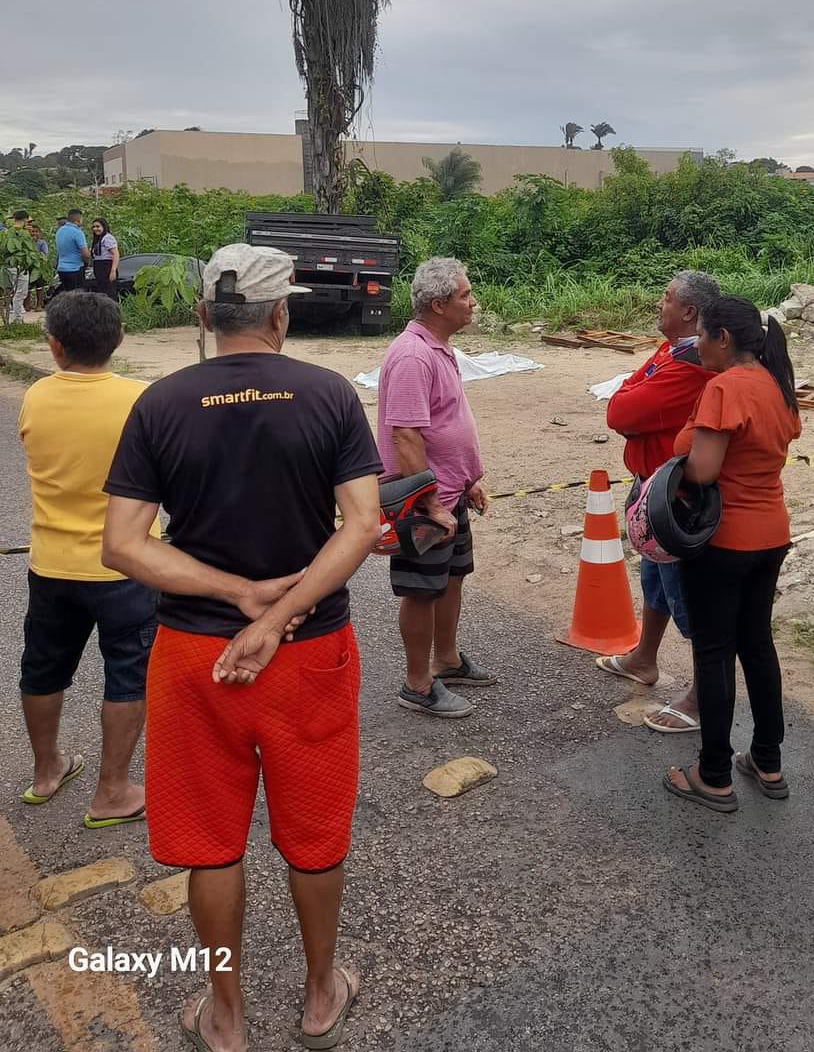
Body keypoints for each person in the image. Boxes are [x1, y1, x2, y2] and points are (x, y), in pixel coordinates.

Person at [101, 244, 383, 1051]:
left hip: (197, 658)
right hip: (310, 654)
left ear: (202, 317)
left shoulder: (160, 403)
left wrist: (236, 600)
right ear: (281, 315)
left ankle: (226, 1015)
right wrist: (279, 613)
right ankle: (321, 996)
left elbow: (123, 544)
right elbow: (360, 524)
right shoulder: (328, 395)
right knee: (314, 836)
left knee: (211, 844)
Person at [18, 292, 156, 827]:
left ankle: (46, 771)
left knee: (43, 667)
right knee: (127, 675)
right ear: (120, 338)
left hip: (51, 564)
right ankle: (112, 791)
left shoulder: (34, 398)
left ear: (53, 346)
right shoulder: (142, 400)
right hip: (126, 565)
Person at [662, 297, 802, 812]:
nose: (695, 344)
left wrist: (682, 447)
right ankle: (767, 759)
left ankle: (713, 774)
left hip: (722, 540)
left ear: (723, 338)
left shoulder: (724, 388)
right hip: (771, 535)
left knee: (715, 652)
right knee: (757, 645)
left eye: (700, 334)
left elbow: (702, 471)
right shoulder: (776, 384)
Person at [597, 271, 717, 732]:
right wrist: (632, 398)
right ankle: (644, 658)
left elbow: (620, 410)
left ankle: (704, 695)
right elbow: (626, 394)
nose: (658, 304)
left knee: (684, 591)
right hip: (651, 485)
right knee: (654, 577)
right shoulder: (673, 350)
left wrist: (632, 402)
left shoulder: (691, 364)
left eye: (666, 298)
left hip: (676, 497)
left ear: (689, 312)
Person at [377, 257, 493, 719]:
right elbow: (406, 434)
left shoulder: (437, 347)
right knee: (422, 590)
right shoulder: (412, 355)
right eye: (465, 295)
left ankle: (446, 659)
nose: (473, 302)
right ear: (440, 304)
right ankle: (417, 683)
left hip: (449, 494)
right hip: (424, 502)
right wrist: (426, 501)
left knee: (452, 576)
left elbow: (444, 423)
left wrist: (467, 482)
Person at [4, 208, 31, 323]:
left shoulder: (6, 232)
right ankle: (18, 319)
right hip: (18, 265)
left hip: (9, 265)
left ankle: (15, 317)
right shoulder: (22, 233)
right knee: (21, 292)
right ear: (24, 219)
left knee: (12, 292)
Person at [55, 209, 91, 293]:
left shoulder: (59, 231)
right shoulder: (77, 232)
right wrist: (88, 259)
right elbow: (86, 254)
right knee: (78, 297)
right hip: (75, 269)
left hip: (61, 269)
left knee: (67, 296)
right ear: (78, 220)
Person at [90, 217, 120, 299]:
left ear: (104, 227)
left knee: (109, 293)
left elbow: (116, 254)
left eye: (98, 226)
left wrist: (113, 270)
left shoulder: (108, 238)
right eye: (94, 227)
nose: (96, 229)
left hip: (106, 267)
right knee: (102, 293)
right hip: (99, 267)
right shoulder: (98, 240)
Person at [28, 222, 49, 309]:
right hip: (29, 267)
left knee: (39, 287)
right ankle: (27, 305)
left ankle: (39, 305)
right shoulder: (28, 242)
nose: (34, 233)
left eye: (36, 231)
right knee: (28, 287)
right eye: (32, 231)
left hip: (39, 267)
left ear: (39, 233)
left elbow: (45, 254)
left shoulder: (42, 243)